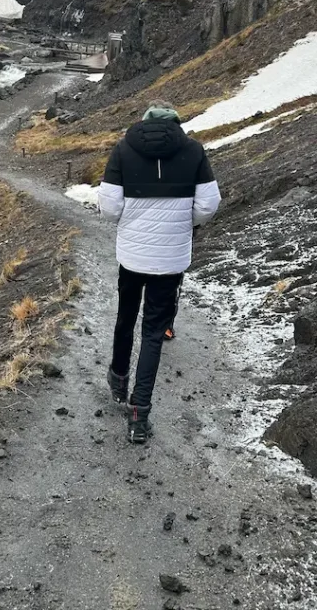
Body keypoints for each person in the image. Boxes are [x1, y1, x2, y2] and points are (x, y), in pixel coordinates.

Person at [98, 102, 221, 444]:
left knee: (125, 318)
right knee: (153, 333)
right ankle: (139, 414)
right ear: (176, 123)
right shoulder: (194, 151)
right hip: (170, 260)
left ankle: (118, 379)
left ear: (144, 122)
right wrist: (186, 223)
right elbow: (209, 206)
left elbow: (109, 207)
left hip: (132, 256)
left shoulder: (123, 149)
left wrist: (130, 220)